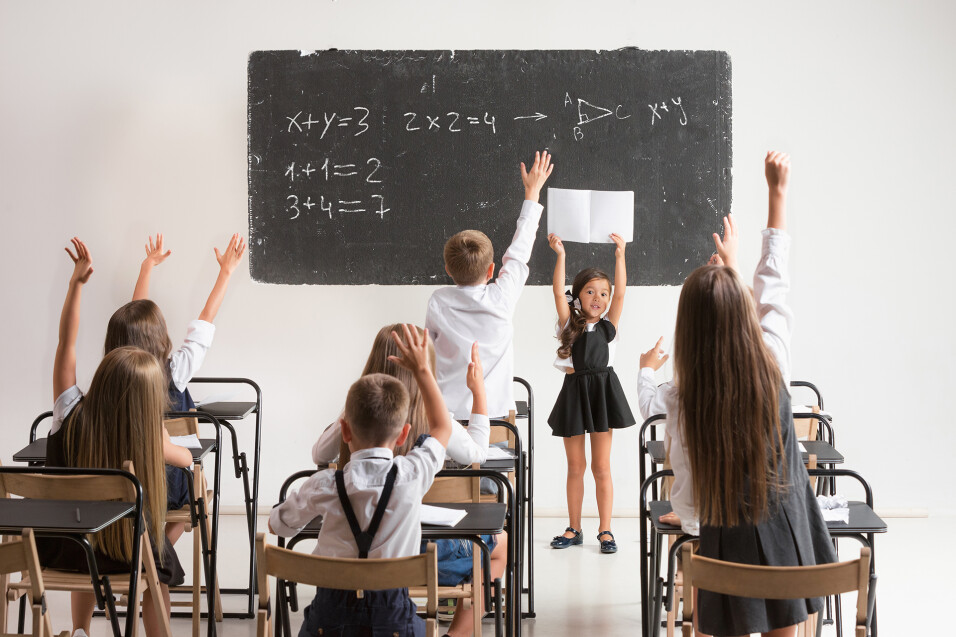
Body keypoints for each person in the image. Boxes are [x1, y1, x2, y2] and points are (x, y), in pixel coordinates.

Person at [637, 152, 836, 637]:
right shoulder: (774, 366)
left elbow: (683, 476)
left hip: (720, 546)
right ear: (745, 318)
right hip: (787, 540)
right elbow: (774, 288)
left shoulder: (683, 396)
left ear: (687, 329)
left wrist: (684, 515)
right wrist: (776, 195)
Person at [269, 325, 452, 637]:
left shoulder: (322, 484)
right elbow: (442, 427)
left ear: (345, 430)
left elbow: (279, 526)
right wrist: (422, 370)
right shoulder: (412, 474)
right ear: (403, 434)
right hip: (394, 620)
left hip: (328, 623)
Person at [42, 238, 182, 637]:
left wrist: (76, 285)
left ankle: (82, 630)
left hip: (62, 549)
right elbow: (183, 461)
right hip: (128, 554)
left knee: (87, 536)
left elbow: (65, 344)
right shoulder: (144, 431)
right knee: (161, 569)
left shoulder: (67, 411)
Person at [104, 232, 245, 544]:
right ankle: (160, 552)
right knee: (196, 491)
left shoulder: (108, 380)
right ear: (159, 337)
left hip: (118, 484)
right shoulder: (174, 371)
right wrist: (226, 272)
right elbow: (204, 324)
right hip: (165, 483)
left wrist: (147, 267)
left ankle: (152, 556)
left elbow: (133, 322)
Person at [426, 151, 553, 420]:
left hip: (446, 422)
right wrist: (532, 194)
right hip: (494, 422)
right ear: (492, 270)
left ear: (447, 269)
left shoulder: (438, 301)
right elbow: (519, 252)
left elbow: (427, 352)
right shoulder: (502, 297)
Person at [546, 232, 635, 554]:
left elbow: (622, 294)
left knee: (601, 467)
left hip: (601, 394)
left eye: (603, 293)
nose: (598, 298)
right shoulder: (570, 322)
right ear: (578, 296)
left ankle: (606, 529)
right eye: (590, 291)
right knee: (575, 467)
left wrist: (620, 256)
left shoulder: (608, 327)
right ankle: (574, 527)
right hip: (574, 393)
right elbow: (557, 291)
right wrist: (561, 256)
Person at [312, 324, 490, 466]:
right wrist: (478, 390)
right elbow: (477, 455)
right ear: (427, 366)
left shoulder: (355, 414)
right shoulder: (436, 422)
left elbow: (319, 455)